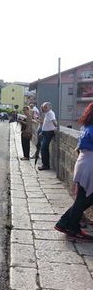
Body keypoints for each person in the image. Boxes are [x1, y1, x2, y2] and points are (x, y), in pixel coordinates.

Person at [54, 102, 93, 241]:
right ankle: (71, 227)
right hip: (89, 164)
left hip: (83, 162)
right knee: (84, 199)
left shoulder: (85, 127)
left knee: (82, 199)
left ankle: (65, 223)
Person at [38, 102, 57, 170]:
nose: (44, 108)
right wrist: (42, 132)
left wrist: (56, 127)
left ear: (50, 107)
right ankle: (45, 164)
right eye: (43, 107)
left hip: (48, 133)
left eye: (45, 107)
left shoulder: (50, 113)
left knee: (44, 148)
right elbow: (46, 123)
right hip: (46, 133)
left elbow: (54, 121)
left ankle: (45, 165)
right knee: (44, 148)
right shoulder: (47, 113)